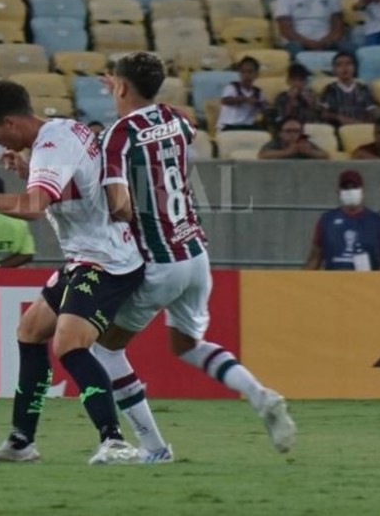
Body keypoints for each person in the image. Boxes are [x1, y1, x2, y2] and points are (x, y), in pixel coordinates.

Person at [89, 52, 296, 461]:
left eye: (115, 83)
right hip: (195, 253)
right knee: (186, 343)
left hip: (160, 260)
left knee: (105, 350)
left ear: (123, 87)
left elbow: (117, 204)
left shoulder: (118, 135)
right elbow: (180, 123)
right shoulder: (177, 119)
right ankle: (260, 396)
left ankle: (154, 449)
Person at [0, 80, 145, 465]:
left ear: (12, 122)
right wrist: (27, 169)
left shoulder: (51, 146)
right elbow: (79, 187)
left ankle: (114, 441)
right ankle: (21, 442)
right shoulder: (60, 131)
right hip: (86, 256)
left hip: (108, 261)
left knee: (69, 344)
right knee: (30, 331)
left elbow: (34, 208)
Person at [305, 170, 380, 271]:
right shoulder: (326, 221)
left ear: (362, 191)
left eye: (354, 187)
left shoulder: (378, 222)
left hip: (367, 283)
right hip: (333, 282)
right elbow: (315, 258)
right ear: (339, 192)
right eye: (346, 188)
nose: (350, 190)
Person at [320, 52, 377, 125]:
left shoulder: (363, 88)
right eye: (339, 65)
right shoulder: (330, 89)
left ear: (355, 67)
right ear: (334, 70)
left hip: (361, 127)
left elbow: (372, 112)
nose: (344, 68)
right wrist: (339, 118)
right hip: (337, 129)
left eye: (348, 64)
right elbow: (323, 114)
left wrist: (361, 124)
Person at [216, 56, 267, 131]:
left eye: (250, 72)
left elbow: (264, 108)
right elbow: (225, 100)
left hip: (247, 126)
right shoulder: (232, 87)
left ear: (256, 74)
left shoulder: (258, 92)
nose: (246, 75)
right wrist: (245, 99)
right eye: (243, 72)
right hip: (228, 125)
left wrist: (259, 104)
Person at [259, 117, 328, 159]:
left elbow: (324, 155)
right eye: (288, 131)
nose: (292, 134)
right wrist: (287, 152)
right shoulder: (276, 143)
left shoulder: (303, 143)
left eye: (296, 131)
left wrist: (310, 152)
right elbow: (263, 155)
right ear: (280, 133)